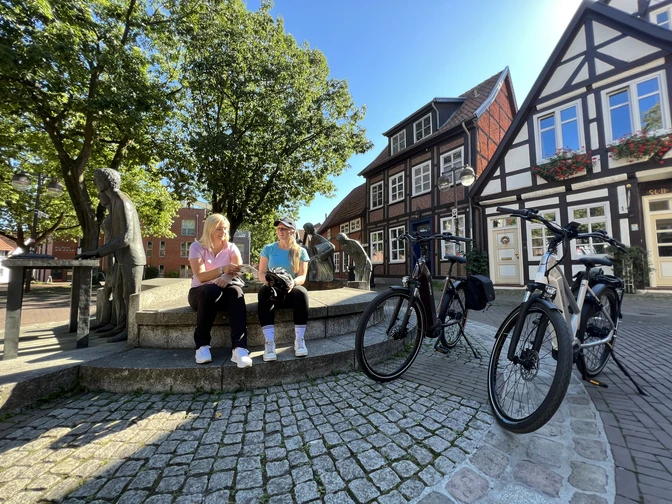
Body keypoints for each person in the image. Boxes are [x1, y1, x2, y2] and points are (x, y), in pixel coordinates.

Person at [75, 168, 145, 342]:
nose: (95, 184)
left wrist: (97, 252)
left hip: (132, 258)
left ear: (107, 181)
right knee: (120, 294)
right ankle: (121, 327)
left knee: (131, 297)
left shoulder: (122, 202)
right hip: (122, 257)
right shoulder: (114, 203)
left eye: (97, 180)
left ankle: (130, 331)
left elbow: (126, 237)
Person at [188, 214, 251, 367]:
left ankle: (239, 348)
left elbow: (238, 270)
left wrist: (227, 277)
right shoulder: (196, 247)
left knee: (236, 292)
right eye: (219, 228)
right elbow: (201, 277)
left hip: (224, 294)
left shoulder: (231, 248)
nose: (223, 232)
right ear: (209, 229)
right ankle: (202, 346)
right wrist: (222, 270)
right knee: (211, 290)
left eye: (225, 229)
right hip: (200, 294)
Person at [257, 217, 310, 361]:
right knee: (263, 292)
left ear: (292, 231)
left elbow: (302, 276)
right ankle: (269, 343)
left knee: (302, 292)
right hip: (273, 289)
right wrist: (267, 282)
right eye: (278, 228)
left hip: (290, 290)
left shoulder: (300, 251)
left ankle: (299, 340)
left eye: (284, 228)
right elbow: (261, 273)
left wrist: (293, 282)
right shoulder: (268, 249)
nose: (280, 231)